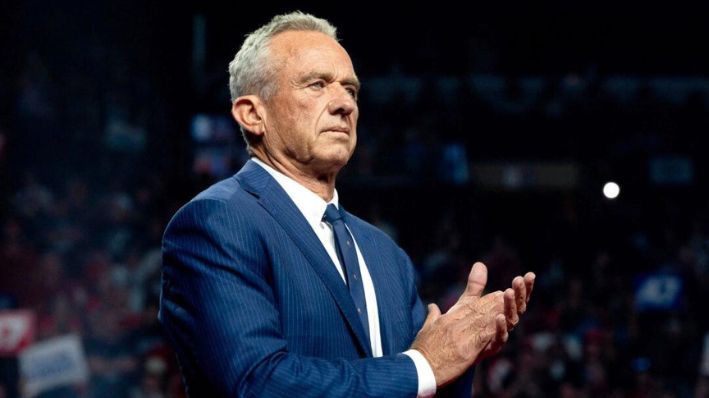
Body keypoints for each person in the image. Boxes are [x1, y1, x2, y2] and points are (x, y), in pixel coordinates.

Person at [158, 11, 535, 397]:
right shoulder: (217, 223)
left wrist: (460, 356)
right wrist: (424, 365)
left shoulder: (386, 254)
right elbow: (257, 384)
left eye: (351, 90)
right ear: (253, 114)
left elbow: (418, 383)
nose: (345, 105)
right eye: (317, 84)